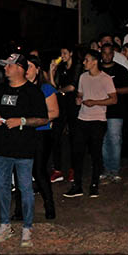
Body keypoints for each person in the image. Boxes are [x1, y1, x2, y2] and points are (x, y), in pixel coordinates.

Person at [0, 53, 48, 247]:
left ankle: (27, 228)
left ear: (20, 69)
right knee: (3, 187)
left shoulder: (33, 92)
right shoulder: (0, 89)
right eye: (5, 65)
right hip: (1, 149)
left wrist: (21, 121)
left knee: (25, 189)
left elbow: (43, 119)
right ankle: (5, 225)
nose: (5, 68)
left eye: (9, 65)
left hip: (23, 149)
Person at [64, 50, 116, 198]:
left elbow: (114, 99)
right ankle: (77, 186)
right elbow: (80, 94)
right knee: (77, 153)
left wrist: (95, 102)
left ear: (95, 62)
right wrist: (79, 99)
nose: (84, 62)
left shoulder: (105, 78)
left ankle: (94, 185)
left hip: (98, 120)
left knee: (95, 153)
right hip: (82, 118)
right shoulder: (83, 77)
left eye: (87, 60)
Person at [26, 55, 59, 219]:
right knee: (25, 170)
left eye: (30, 66)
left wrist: (35, 120)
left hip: (41, 132)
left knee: (39, 169)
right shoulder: (20, 88)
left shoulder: (45, 88)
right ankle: (22, 209)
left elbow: (55, 112)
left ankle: (49, 204)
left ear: (38, 69)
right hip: (24, 133)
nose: (26, 70)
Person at [48, 45, 82, 184]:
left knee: (74, 137)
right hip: (61, 105)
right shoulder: (61, 68)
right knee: (56, 136)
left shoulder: (77, 66)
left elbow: (72, 87)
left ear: (71, 53)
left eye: (65, 53)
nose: (62, 56)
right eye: (61, 53)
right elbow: (53, 86)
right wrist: (51, 71)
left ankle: (74, 168)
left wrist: (60, 90)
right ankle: (57, 169)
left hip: (73, 104)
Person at [99, 44, 128, 183]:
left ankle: (115, 169)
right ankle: (106, 169)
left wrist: (112, 91)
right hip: (99, 109)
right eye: (104, 53)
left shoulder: (120, 69)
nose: (107, 56)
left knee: (115, 139)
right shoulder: (96, 69)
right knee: (103, 140)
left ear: (113, 54)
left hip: (116, 110)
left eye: (109, 53)